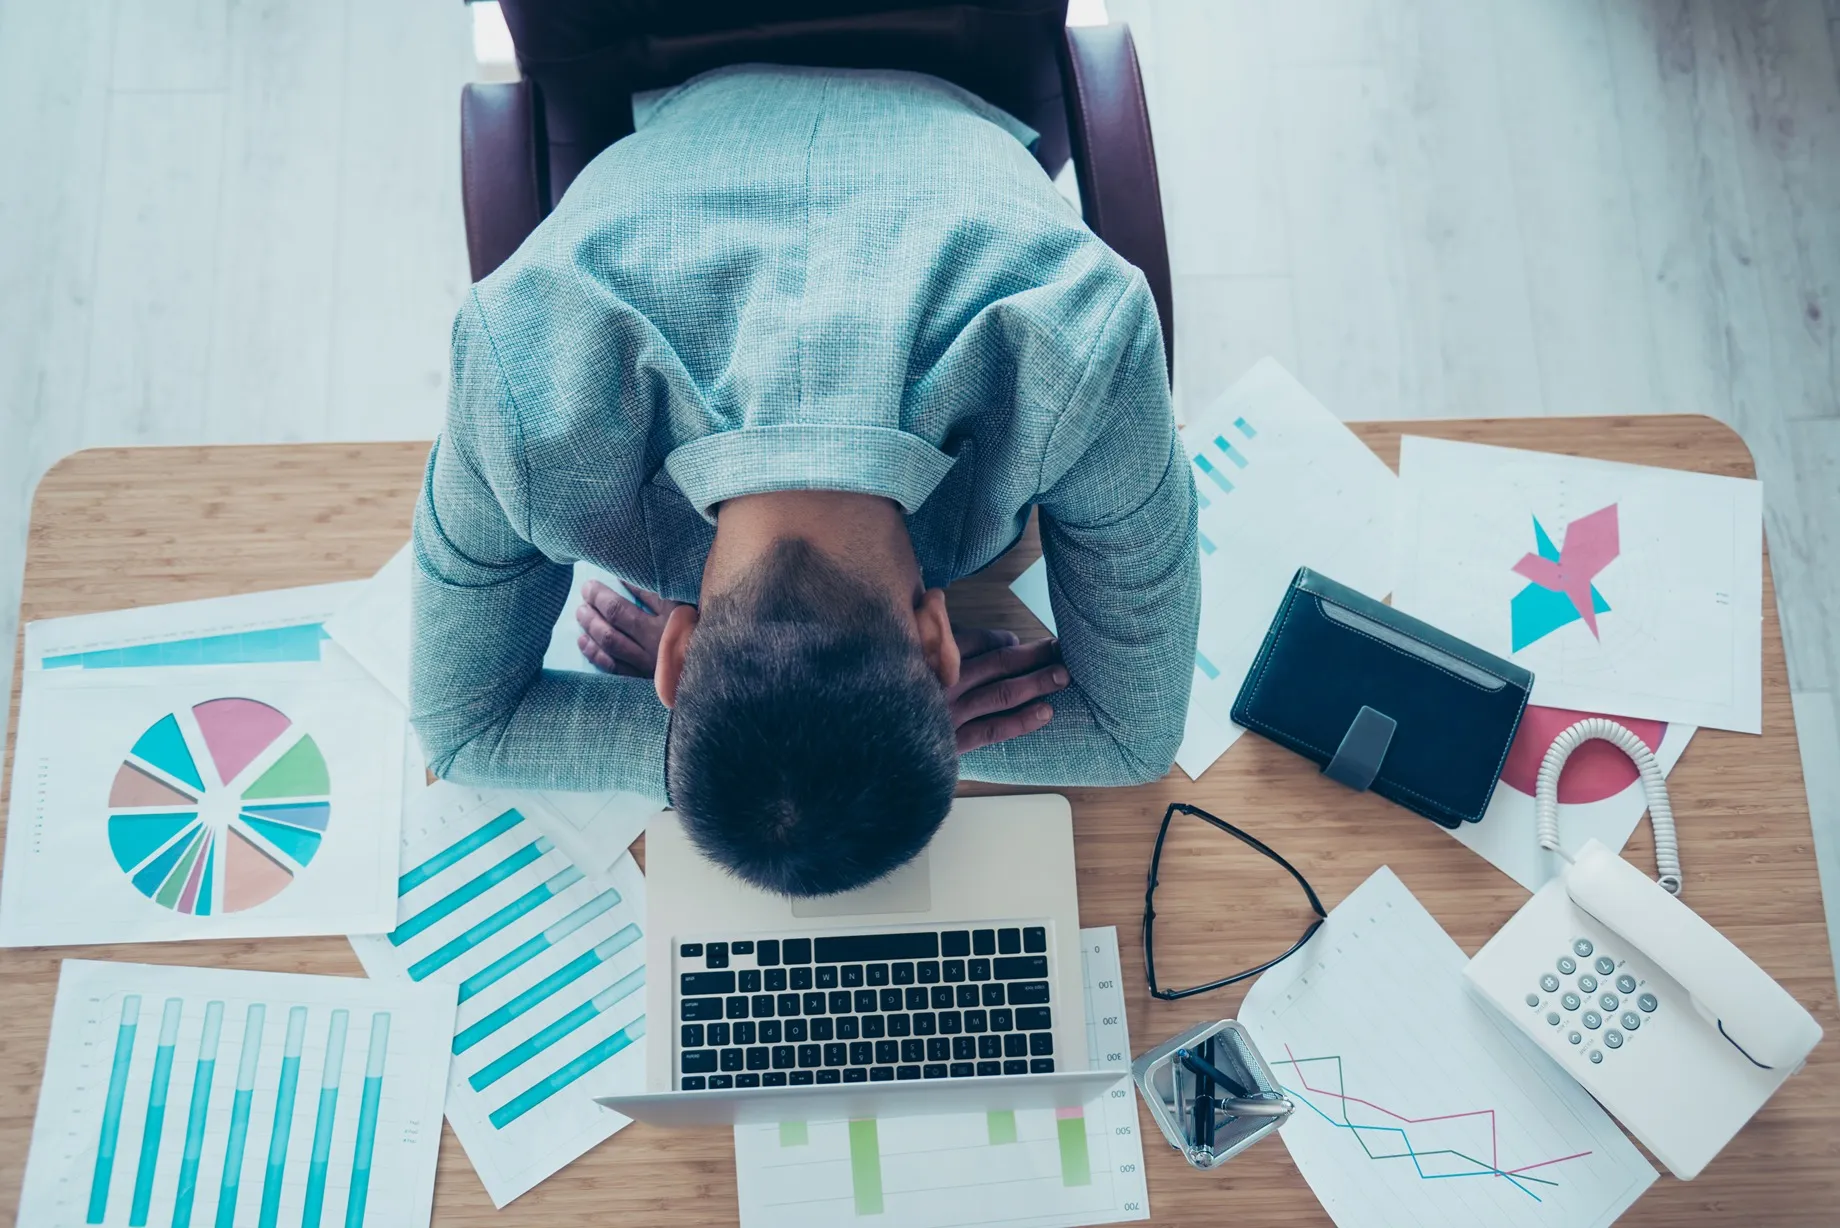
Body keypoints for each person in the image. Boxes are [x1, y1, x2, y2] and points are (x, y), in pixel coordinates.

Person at [411, 64, 1199, 897]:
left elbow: (463, 731)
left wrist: (788, 726)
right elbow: (1130, 733)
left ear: (674, 657)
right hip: (859, 108)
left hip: (875, 100)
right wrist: (744, 717)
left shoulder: (520, 388)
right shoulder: (517, 381)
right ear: (671, 658)